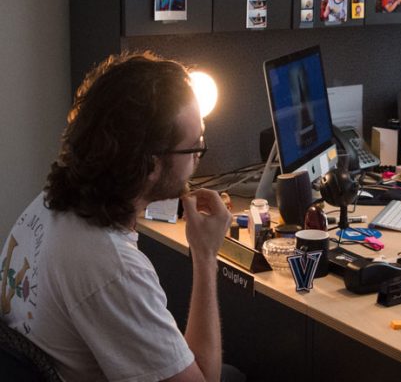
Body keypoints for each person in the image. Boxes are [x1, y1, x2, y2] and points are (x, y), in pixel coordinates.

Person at [0, 53, 242, 381]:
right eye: (194, 146)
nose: (199, 155)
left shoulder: (49, 203)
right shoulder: (113, 269)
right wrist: (205, 255)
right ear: (152, 164)